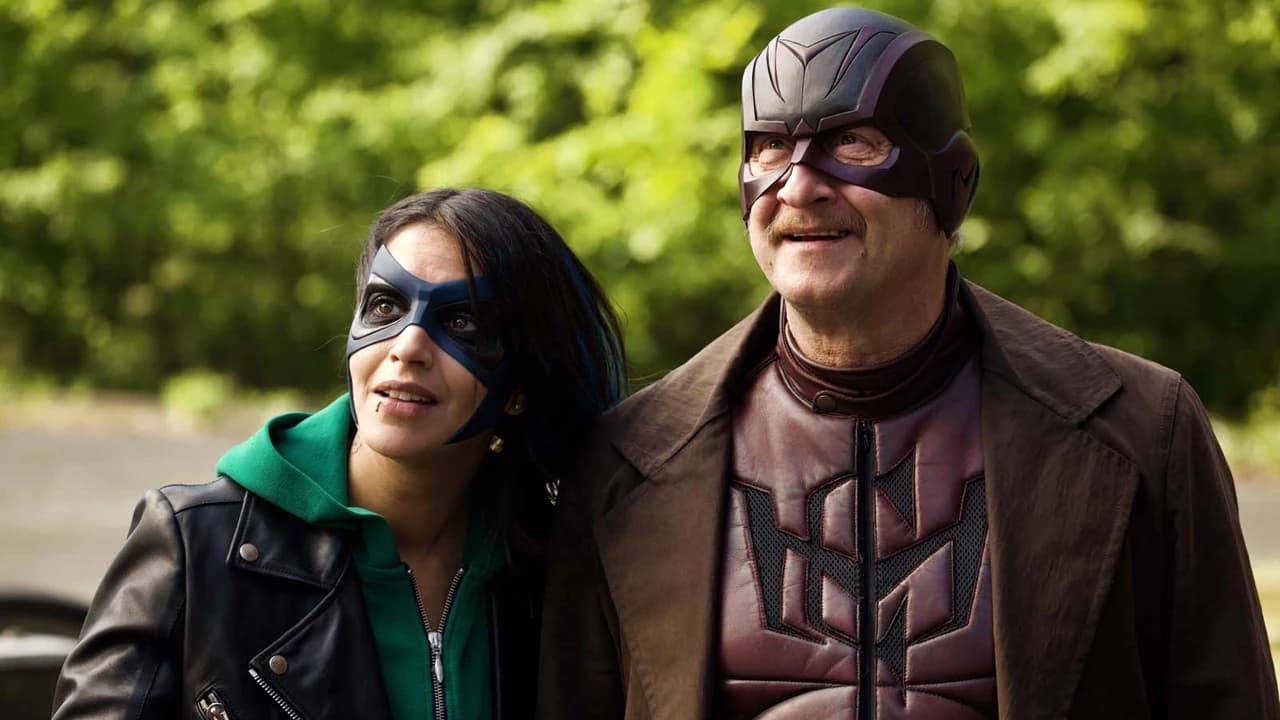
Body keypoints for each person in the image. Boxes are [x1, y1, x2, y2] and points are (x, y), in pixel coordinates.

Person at [538, 7, 1279, 720]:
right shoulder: (627, 461)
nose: (799, 185)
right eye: (769, 149)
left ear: (951, 181)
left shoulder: (1143, 431)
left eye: (852, 142)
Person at [52, 188, 626, 720]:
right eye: (386, 306)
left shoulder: (556, 572)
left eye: (462, 321)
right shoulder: (192, 546)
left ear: (521, 386)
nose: (407, 346)